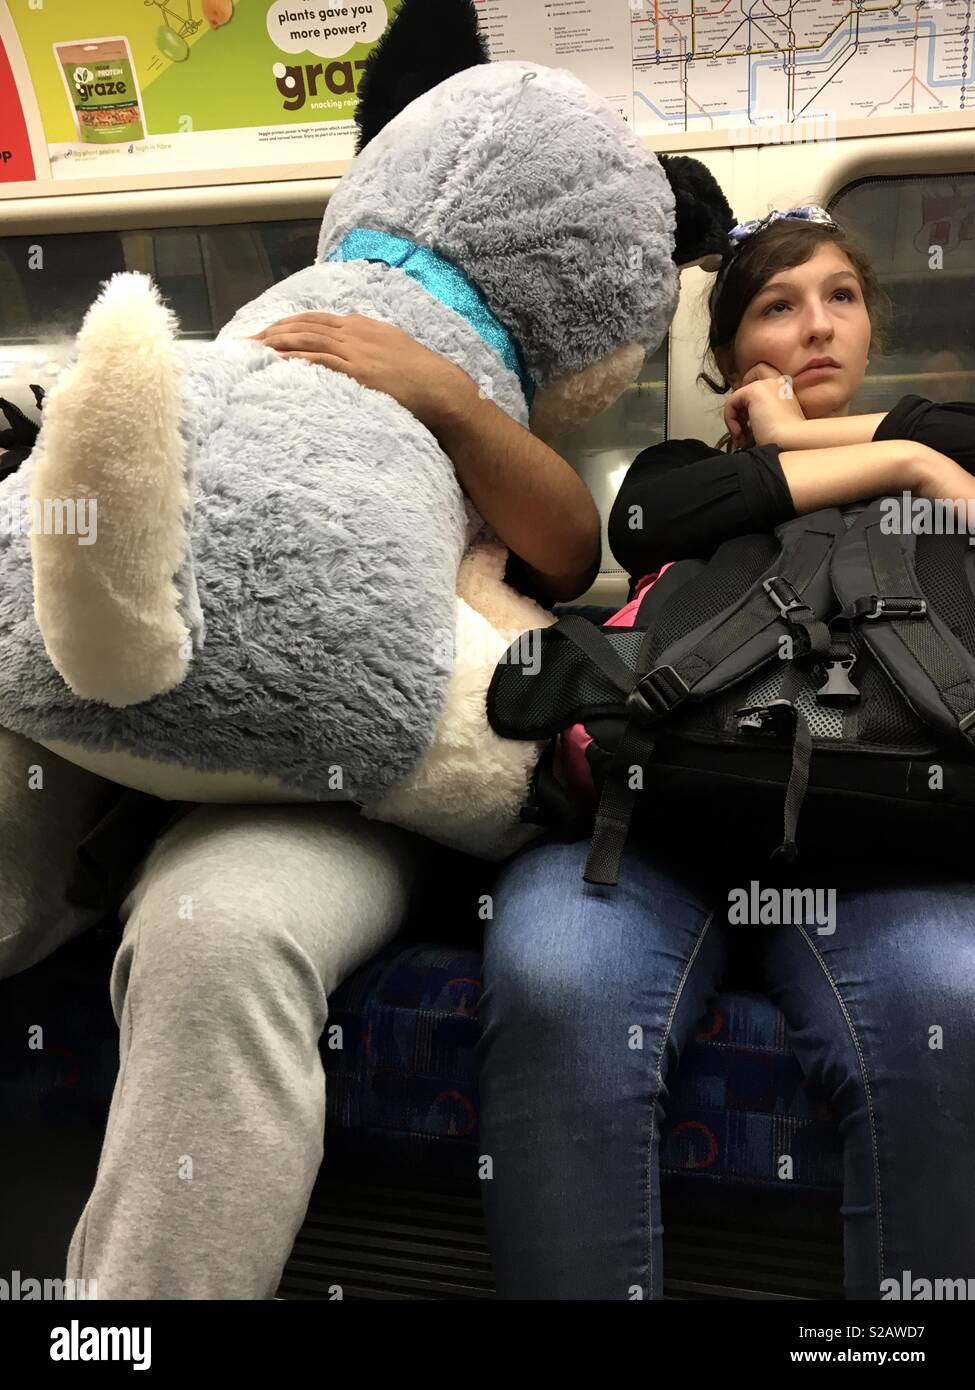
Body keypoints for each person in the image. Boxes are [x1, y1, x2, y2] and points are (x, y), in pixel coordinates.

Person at [0, 312, 597, 1300]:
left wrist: (444, 396)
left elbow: (570, 551)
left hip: (355, 783)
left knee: (218, 941)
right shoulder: (265, 336)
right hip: (134, 717)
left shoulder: (480, 388)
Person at [475, 206, 975, 1300]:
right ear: (725, 356)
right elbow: (649, 523)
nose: (817, 326)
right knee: (556, 975)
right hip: (656, 818)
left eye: (842, 297)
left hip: (884, 829)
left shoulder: (942, 428)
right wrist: (871, 459)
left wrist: (884, 447)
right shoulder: (681, 469)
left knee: (957, 994)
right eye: (778, 306)